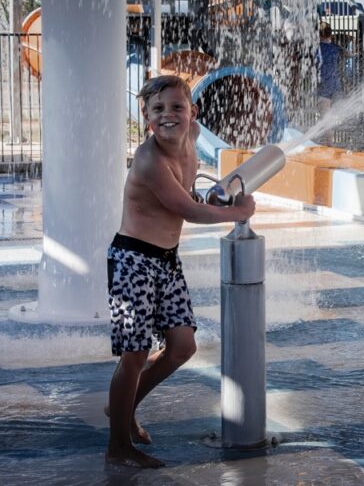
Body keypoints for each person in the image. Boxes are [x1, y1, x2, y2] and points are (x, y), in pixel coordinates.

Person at [105, 74, 255, 469]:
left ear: (193, 113)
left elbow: (191, 192)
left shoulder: (192, 136)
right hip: (133, 261)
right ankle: (119, 444)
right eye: (158, 110)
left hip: (166, 261)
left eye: (177, 108)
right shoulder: (149, 159)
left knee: (183, 347)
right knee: (134, 356)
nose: (168, 116)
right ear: (145, 117)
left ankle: (122, 408)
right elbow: (186, 209)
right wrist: (236, 212)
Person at [316, 22, 345, 115]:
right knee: (338, 116)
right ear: (331, 34)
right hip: (336, 85)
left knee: (325, 117)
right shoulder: (336, 48)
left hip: (323, 86)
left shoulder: (316, 48)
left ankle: (327, 129)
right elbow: (346, 54)